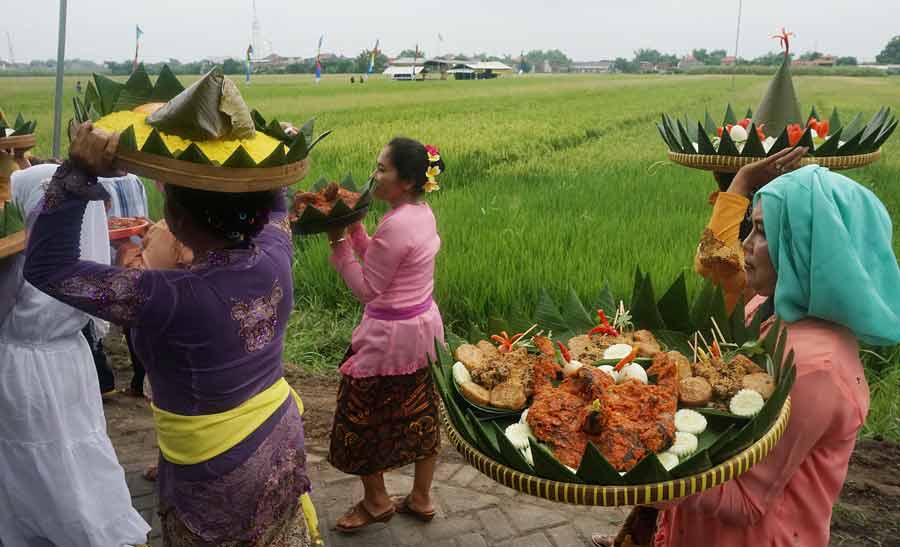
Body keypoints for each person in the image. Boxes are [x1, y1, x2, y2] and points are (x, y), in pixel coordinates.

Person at [23, 122, 320, 546]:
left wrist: (76, 171)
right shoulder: (274, 251)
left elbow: (48, 268)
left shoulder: (169, 297)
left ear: (176, 219)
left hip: (215, 468)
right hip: (277, 434)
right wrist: (261, 152)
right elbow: (276, 203)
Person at [596, 147, 900, 546]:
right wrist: (739, 186)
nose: (745, 245)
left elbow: (744, 501)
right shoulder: (769, 307)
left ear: (804, 248)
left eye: (761, 231)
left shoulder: (812, 368)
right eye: (749, 228)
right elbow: (718, 268)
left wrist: (636, 462)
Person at [0, 163, 150, 546]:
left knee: (31, 451)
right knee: (76, 445)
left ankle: (41, 522)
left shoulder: (24, 258)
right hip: (71, 358)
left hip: (22, 366)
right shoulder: (80, 266)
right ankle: (88, 515)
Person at [327, 137, 446, 532]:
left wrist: (339, 243)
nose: (373, 176)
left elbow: (368, 288)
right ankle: (422, 496)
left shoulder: (396, 223)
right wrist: (357, 227)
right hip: (423, 331)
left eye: (382, 169)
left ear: (408, 181)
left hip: (390, 338)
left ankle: (377, 502)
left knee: (358, 417)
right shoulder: (419, 212)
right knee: (421, 409)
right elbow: (383, 256)